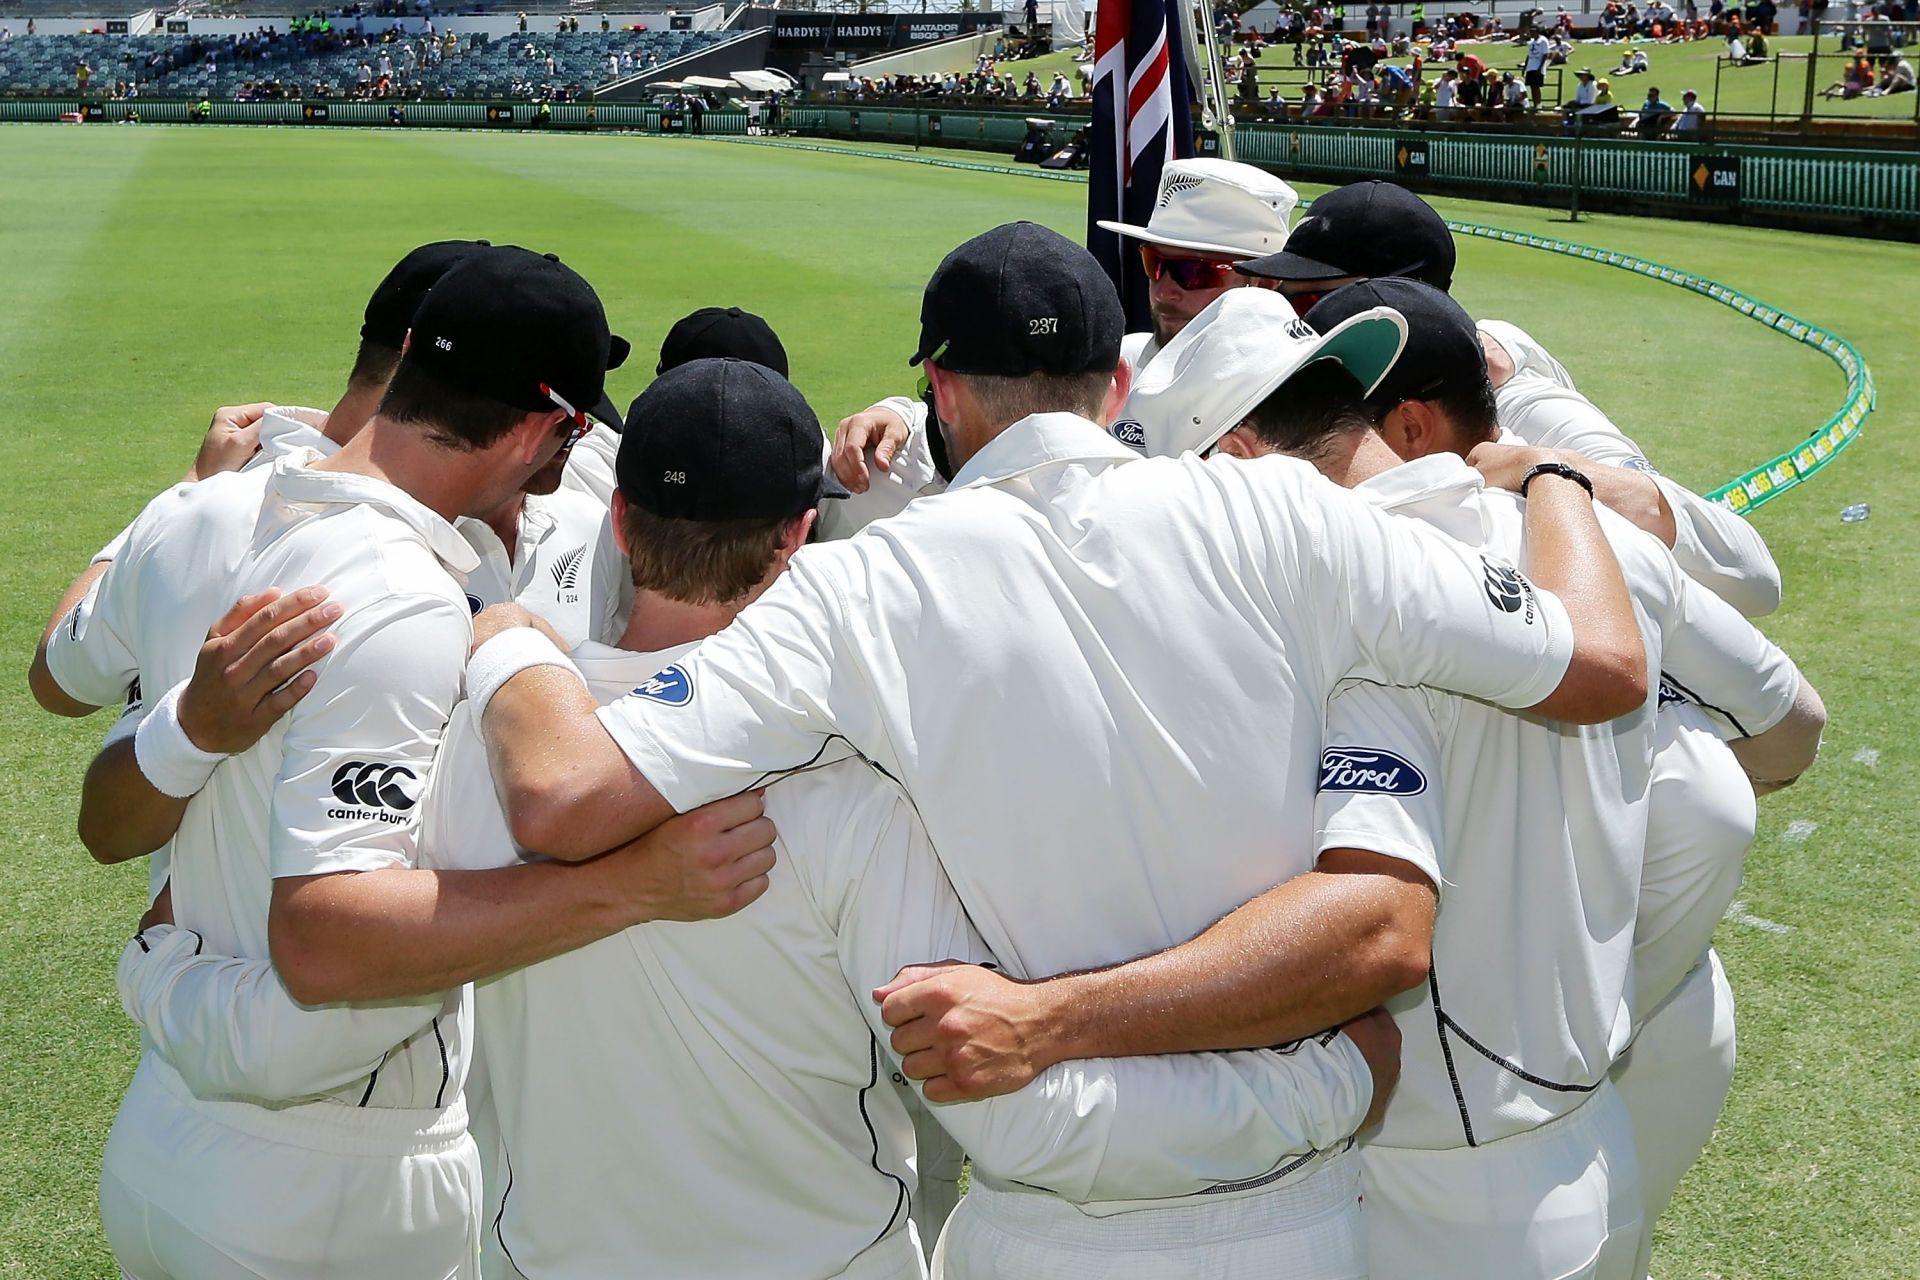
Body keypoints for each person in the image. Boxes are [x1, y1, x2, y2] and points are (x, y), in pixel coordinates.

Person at [466, 220, 1649, 1276]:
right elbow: (1604, 666)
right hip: (1300, 1192)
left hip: (1054, 1197)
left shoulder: (864, 585)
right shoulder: (1287, 511)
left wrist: (510, 639)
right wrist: (1551, 477)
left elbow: (565, 798)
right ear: (1118, 375)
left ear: (940, 384)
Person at [420, 357, 1402, 1277]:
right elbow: (1022, 1121)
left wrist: (504, 639)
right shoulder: (848, 777)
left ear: (621, 520)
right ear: (800, 534)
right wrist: (1337, 1081)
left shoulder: (485, 738)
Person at [79, 248, 775, 1280]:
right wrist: (634, 885)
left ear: (407, 360)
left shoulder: (252, 517)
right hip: (323, 1193)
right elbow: (324, 941)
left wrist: (165, 955)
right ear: (550, 431)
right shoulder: (402, 594)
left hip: (179, 1148)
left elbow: (106, 815)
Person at [1109, 282, 1825, 1278]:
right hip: (1589, 1145)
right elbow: (1791, 732)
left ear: (1237, 461)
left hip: (1422, 1190)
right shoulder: (1586, 542)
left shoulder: (1314, 612)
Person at [1228, 180, 1782, 616]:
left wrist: (1539, 471)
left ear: (1393, 296)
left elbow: (1751, 573)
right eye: (1280, 298)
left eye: (1308, 305)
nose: (1294, 328)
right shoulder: (1299, 405)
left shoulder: (1522, 403)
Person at [823, 159, 1298, 536]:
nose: (1163, 290)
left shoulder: (1302, 396)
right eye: (1154, 263)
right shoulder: (1126, 357)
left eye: (1193, 272)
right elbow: (999, 415)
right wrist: (905, 417)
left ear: (1267, 280)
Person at [1525, 27, 1552, 103]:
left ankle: (1538, 104)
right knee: (1532, 87)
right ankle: (1535, 104)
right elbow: (1528, 55)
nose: (1531, 34)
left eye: (1533, 32)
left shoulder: (1543, 40)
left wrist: (1540, 67)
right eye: (1530, 32)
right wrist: (1525, 66)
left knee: (1536, 87)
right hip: (1530, 66)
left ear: (1537, 32)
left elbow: (1545, 54)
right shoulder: (1531, 42)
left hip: (1537, 66)